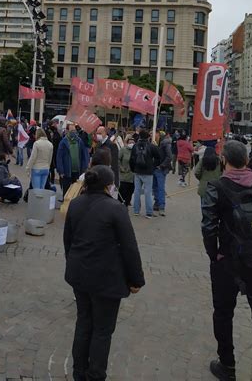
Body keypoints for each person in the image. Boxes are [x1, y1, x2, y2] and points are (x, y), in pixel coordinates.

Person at [64, 164, 145, 381]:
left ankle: (79, 372)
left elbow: (68, 241)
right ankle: (95, 375)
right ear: (108, 186)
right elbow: (129, 247)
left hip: (79, 275)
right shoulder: (116, 209)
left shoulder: (76, 203)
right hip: (106, 279)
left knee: (83, 323)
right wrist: (136, 279)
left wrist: (72, 265)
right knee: (102, 330)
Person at [201, 140, 252, 381]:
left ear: (224, 161)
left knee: (223, 313)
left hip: (228, 262)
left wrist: (214, 254)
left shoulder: (216, 186)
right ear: (247, 160)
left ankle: (227, 365)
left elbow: (209, 226)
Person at [129, 129, 161, 218]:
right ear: (148, 137)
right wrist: (153, 166)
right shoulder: (151, 146)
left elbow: (131, 159)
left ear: (139, 136)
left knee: (137, 191)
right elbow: (158, 158)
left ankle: (136, 210)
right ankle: (149, 212)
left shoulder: (135, 146)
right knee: (148, 192)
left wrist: (133, 169)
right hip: (148, 172)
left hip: (137, 171)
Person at [56, 123, 90, 196]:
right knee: (66, 191)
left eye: (74, 130)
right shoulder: (63, 142)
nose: (73, 132)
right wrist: (61, 171)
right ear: (67, 131)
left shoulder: (79, 141)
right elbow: (59, 157)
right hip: (67, 171)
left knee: (77, 191)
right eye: (71, 131)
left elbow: (84, 155)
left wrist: (85, 167)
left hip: (77, 171)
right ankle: (66, 205)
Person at [153, 131, 173, 216]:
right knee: (154, 187)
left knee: (160, 188)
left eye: (154, 133)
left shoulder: (165, 144)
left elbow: (169, 156)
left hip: (161, 169)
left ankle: (161, 207)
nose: (153, 135)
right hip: (154, 168)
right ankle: (157, 202)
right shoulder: (154, 143)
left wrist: (162, 165)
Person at [118, 136, 135, 207]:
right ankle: (119, 202)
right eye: (130, 142)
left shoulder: (135, 150)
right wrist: (121, 168)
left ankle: (127, 202)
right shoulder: (123, 150)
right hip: (124, 173)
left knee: (131, 189)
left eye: (133, 142)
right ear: (127, 143)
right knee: (123, 189)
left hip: (133, 174)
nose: (132, 144)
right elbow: (118, 159)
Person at [46, 119, 62, 183]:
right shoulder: (48, 132)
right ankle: (49, 179)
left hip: (54, 151)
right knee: (50, 166)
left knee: (52, 166)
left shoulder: (56, 132)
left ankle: (52, 179)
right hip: (50, 151)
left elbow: (58, 140)